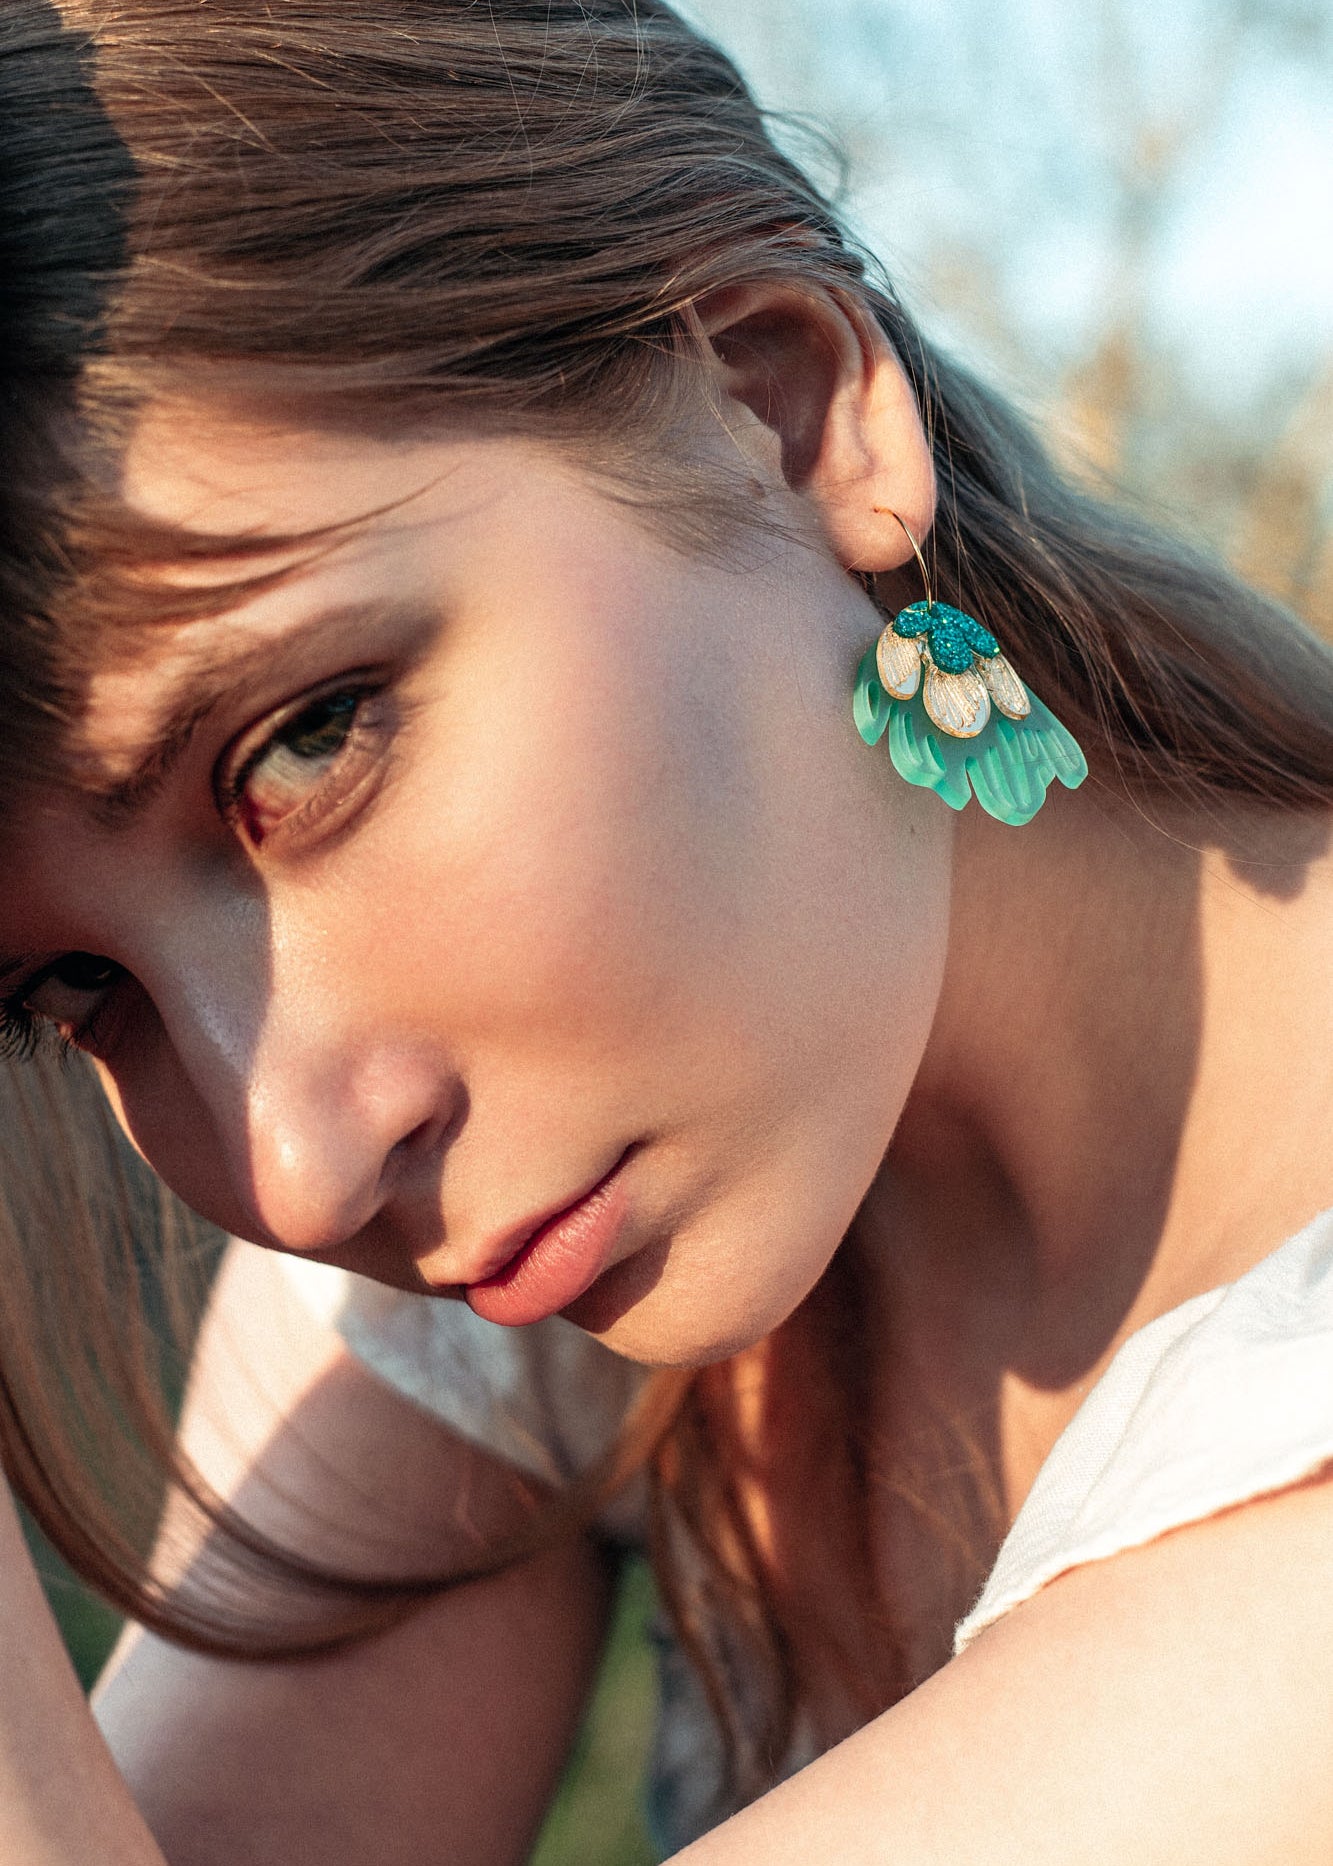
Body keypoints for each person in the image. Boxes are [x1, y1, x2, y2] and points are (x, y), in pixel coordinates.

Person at [1, 1, 1332, 1861]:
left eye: (307, 741)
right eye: (72, 993)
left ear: (784, 406)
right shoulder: (594, 1164)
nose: (294, 1166)